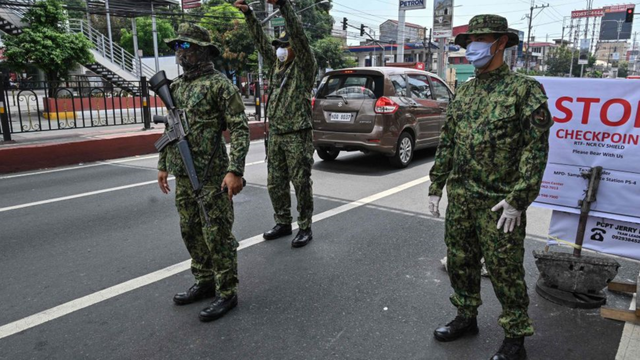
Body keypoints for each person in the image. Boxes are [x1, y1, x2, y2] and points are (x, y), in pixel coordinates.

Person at [427, 15, 553, 360]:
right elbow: (448, 141)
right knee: (461, 262)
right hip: (462, 197)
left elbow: (535, 148)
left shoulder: (525, 90)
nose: (473, 47)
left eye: (481, 40)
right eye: (469, 41)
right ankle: (466, 316)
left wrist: (519, 199)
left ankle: (515, 335)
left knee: (504, 270)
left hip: (500, 203)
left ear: (501, 43)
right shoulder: (465, 91)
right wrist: (436, 184)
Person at [157, 23, 250, 322]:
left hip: (211, 175)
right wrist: (162, 164)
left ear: (201, 51)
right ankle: (205, 280)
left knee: (217, 234)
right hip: (183, 174)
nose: (180, 53)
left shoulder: (220, 85)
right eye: (177, 48)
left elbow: (240, 128)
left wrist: (235, 170)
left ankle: (227, 291)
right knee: (191, 231)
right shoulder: (175, 88)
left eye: (186, 47)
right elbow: (170, 128)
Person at [234, 0, 317, 248]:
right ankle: (283, 222)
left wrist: (283, 5)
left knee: (301, 183)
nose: (280, 49)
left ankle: (305, 227)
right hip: (277, 135)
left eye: (284, 45)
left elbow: (300, 36)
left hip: (297, 135)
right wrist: (249, 15)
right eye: (279, 46)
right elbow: (261, 43)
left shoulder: (304, 67)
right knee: (275, 183)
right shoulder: (276, 68)